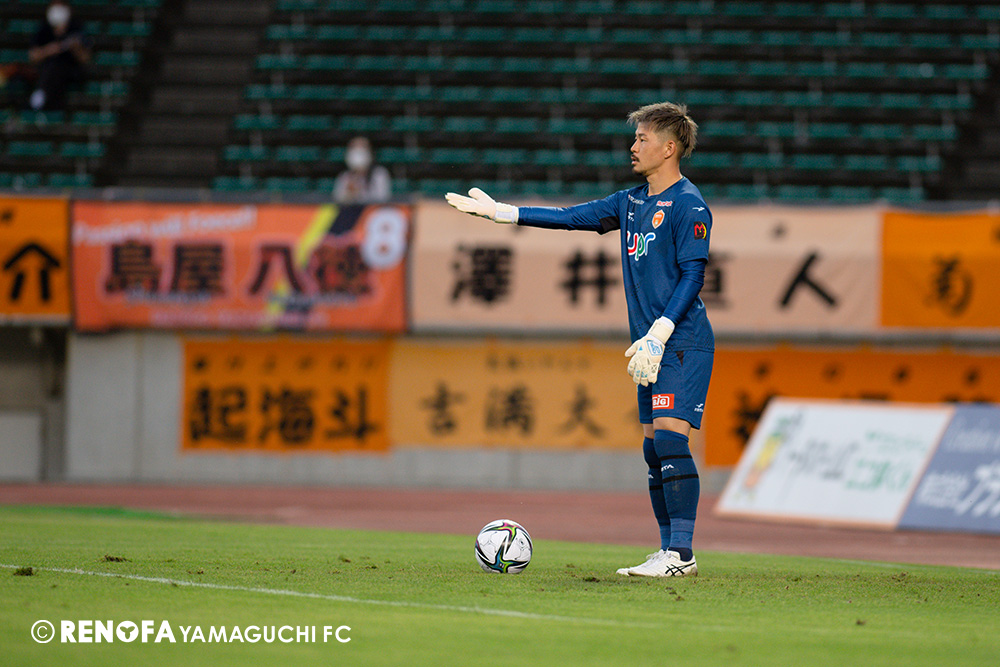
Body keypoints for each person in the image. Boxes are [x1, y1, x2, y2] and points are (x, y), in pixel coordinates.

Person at [446, 102, 713, 578]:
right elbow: (571, 217)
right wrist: (504, 213)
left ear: (669, 148)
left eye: (642, 139)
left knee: (672, 442)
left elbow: (693, 274)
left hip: (681, 341)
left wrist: (661, 331)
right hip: (647, 347)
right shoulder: (631, 202)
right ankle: (667, 550)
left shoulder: (689, 204)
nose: (633, 146)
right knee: (654, 450)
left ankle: (682, 554)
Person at [28, 1, 91, 111]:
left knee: (58, 69)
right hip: (48, 70)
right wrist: (49, 50)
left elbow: (85, 59)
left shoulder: (75, 27)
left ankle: (42, 97)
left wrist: (75, 48)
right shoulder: (44, 28)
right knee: (52, 69)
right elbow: (33, 57)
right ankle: (43, 99)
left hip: (72, 70)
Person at [333, 136, 392, 203]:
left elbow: (383, 198)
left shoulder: (379, 174)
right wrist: (349, 193)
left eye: (362, 147)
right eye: (354, 148)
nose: (358, 151)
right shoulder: (345, 176)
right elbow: (337, 199)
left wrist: (359, 193)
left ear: (370, 151)